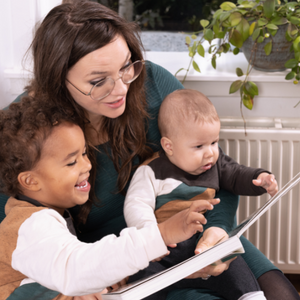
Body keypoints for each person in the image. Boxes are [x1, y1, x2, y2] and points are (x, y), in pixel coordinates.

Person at [0, 1, 299, 299]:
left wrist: (217, 231)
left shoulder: (153, 84)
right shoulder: (27, 134)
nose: (120, 89)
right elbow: (28, 249)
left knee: (280, 294)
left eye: (126, 66)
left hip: (197, 231)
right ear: (57, 78)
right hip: (118, 267)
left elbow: (215, 166)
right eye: (98, 81)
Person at [0, 96, 218, 299]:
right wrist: (160, 234)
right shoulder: (30, 225)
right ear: (30, 181)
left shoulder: (40, 216)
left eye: (84, 153)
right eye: (71, 162)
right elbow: (73, 269)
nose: (87, 165)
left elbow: (61, 273)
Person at [124, 88, 280, 299]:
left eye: (214, 142)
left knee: (233, 258)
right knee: (140, 275)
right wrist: (152, 235)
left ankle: (251, 296)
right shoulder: (151, 170)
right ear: (169, 146)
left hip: (204, 245)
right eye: (199, 146)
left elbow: (237, 175)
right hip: (165, 247)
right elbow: (136, 204)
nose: (210, 152)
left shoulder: (215, 165)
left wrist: (260, 178)